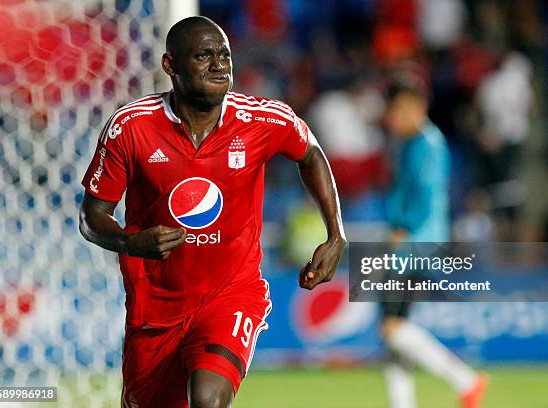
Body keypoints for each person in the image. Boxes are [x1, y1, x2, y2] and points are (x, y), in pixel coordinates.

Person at [79, 16, 345, 408]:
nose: (220, 65)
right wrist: (131, 242)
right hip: (155, 309)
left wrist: (336, 233)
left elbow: (309, 153)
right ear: (171, 66)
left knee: (208, 398)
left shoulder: (261, 119)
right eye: (204, 56)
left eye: (225, 55)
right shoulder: (130, 128)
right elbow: (91, 217)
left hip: (231, 294)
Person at [382, 77, 487, 408]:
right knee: (397, 331)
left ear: (418, 108)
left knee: (392, 328)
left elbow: (425, 196)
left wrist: (403, 229)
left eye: (399, 111)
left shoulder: (428, 144)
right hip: (413, 241)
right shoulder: (412, 143)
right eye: (391, 112)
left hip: (417, 244)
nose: (393, 119)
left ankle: (466, 379)